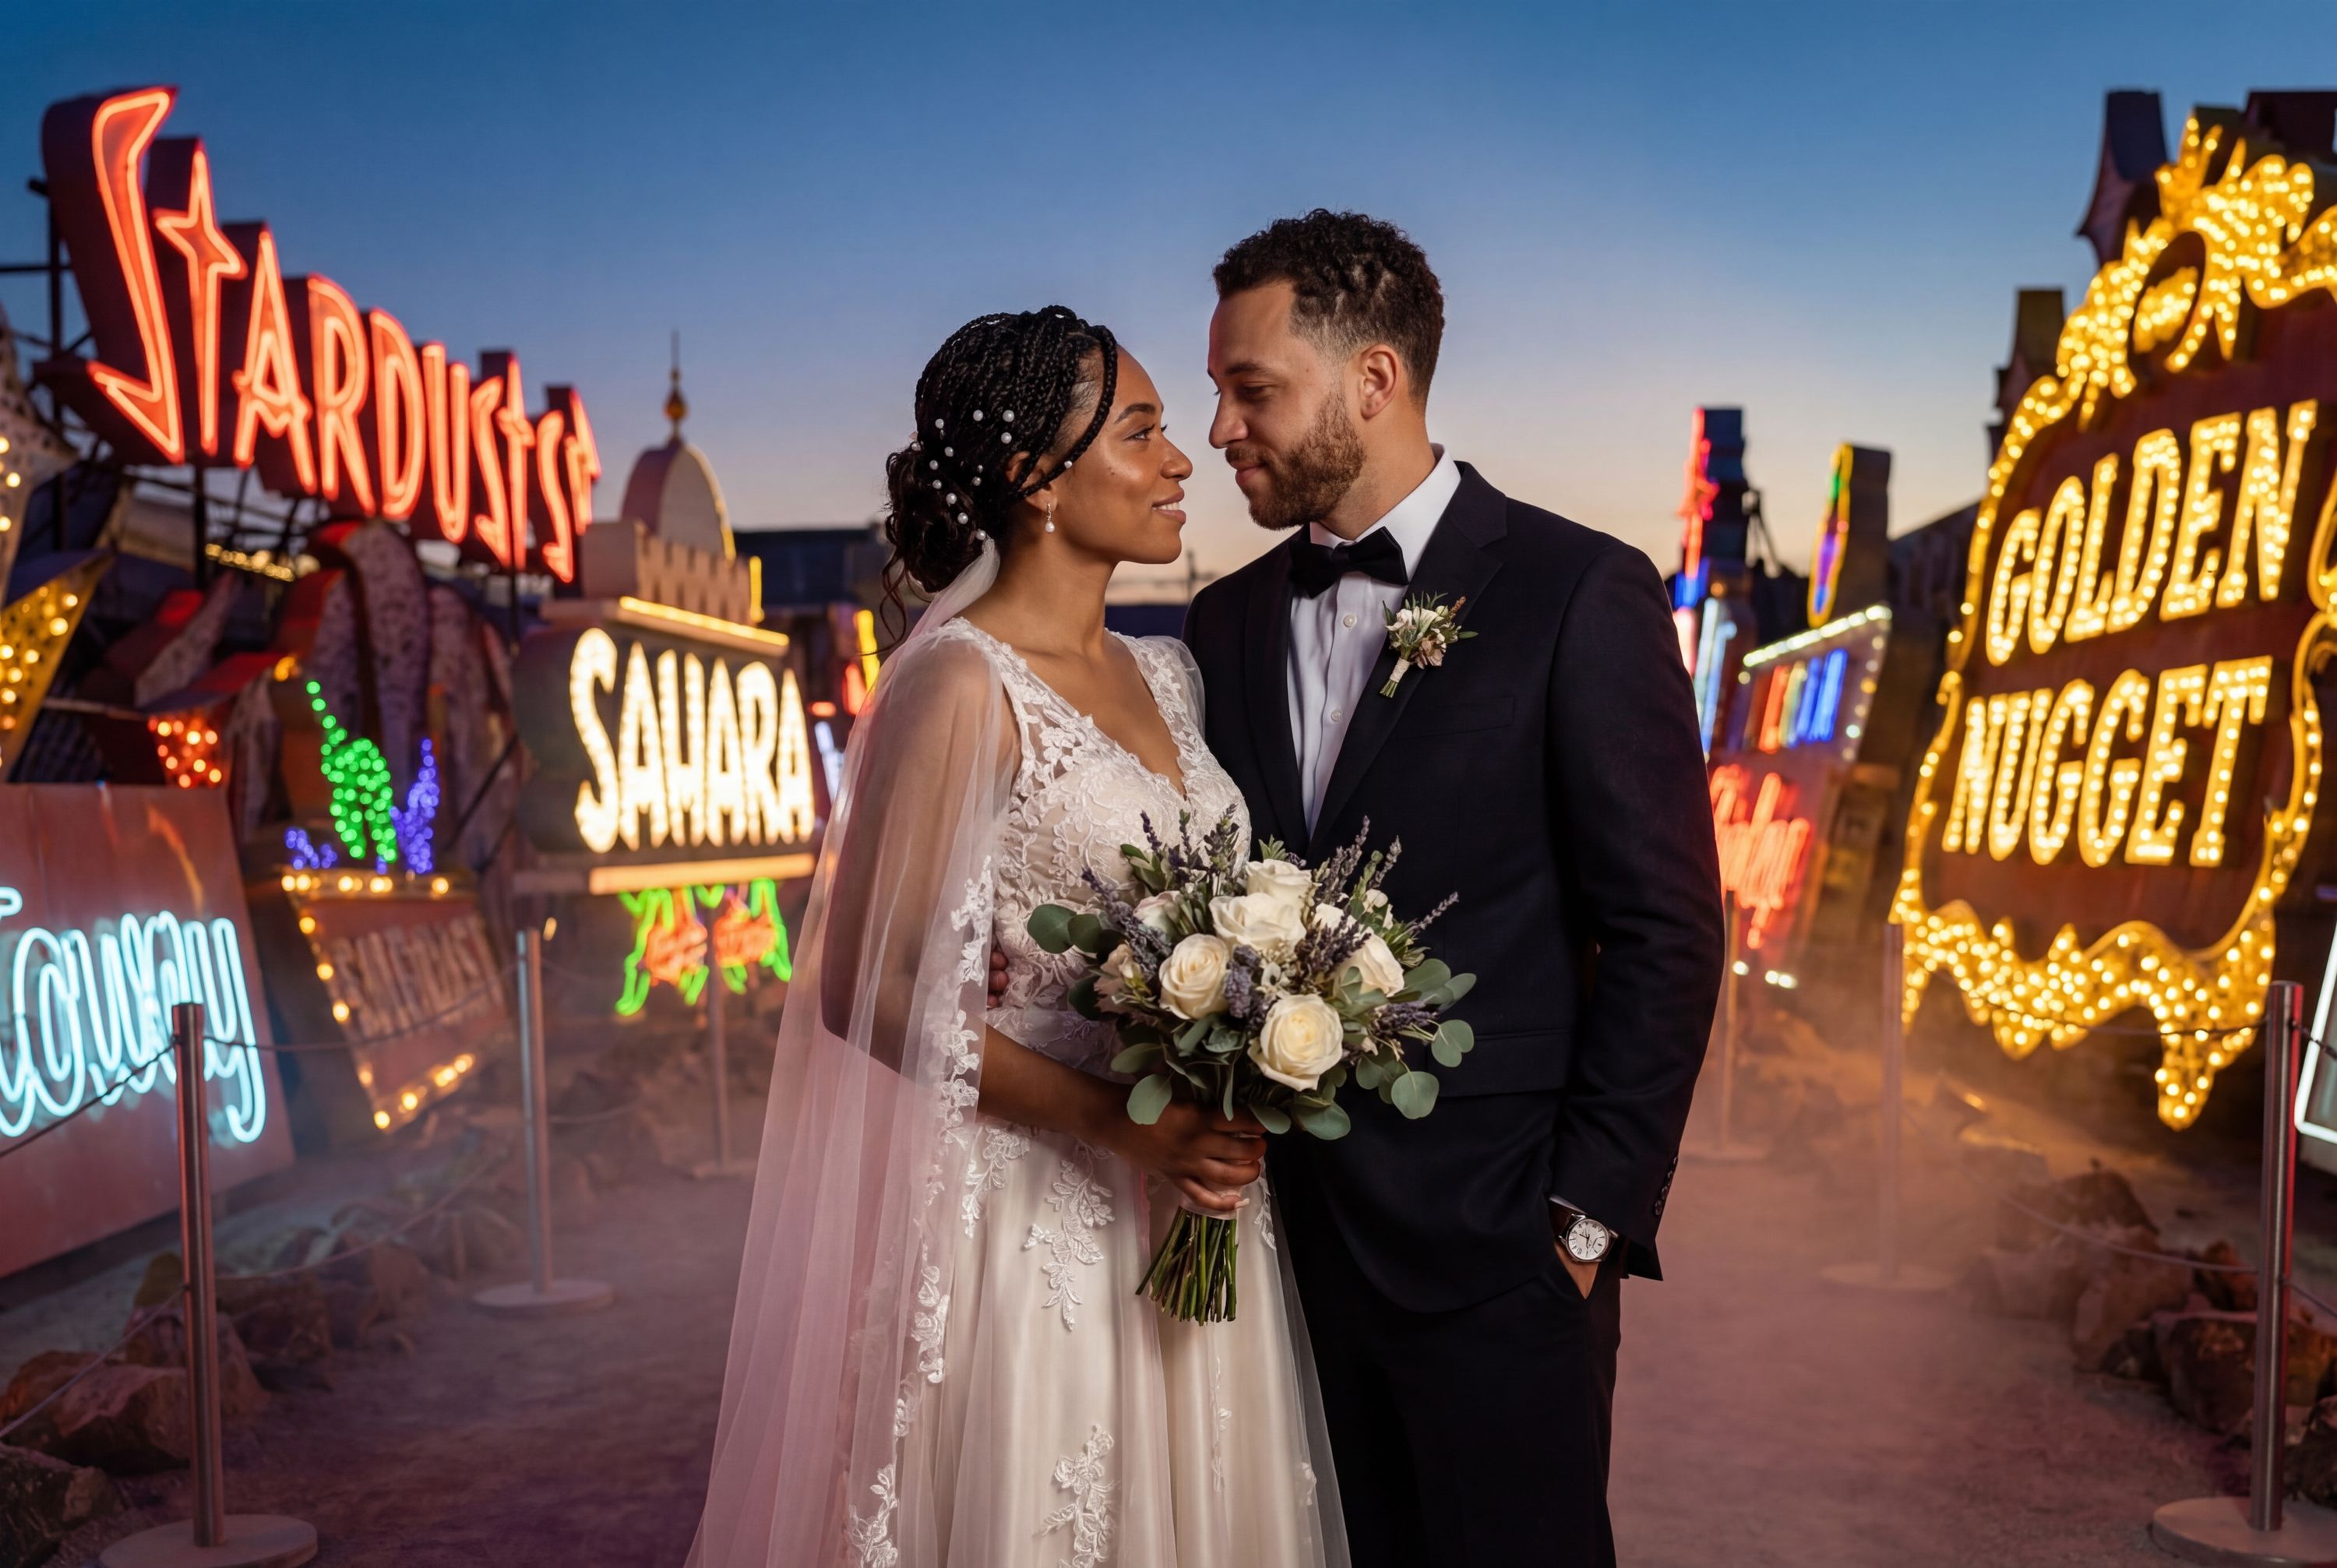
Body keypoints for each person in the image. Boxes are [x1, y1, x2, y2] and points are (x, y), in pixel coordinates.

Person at [689, 308, 1346, 1567]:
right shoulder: (960, 683)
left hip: (1193, 1201)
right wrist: (1124, 1126)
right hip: (1044, 1205)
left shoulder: (1172, 675)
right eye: (1143, 432)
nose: (1181, 460)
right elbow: (869, 985)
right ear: (1037, 479)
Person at [1183, 210, 1725, 1567]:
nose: (1221, 428)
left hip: (1501, 1257)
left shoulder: (1577, 589)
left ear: (1373, 378)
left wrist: (1584, 1221)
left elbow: (1664, 927)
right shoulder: (1220, 623)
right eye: (1217, 393)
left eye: (1252, 389)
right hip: (1279, 1262)